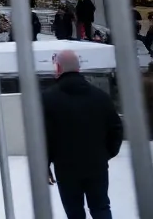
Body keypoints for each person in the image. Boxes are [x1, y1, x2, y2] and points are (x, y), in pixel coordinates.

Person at [42, 50, 123, 219]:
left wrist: (45, 164)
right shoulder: (101, 97)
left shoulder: (48, 99)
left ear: (58, 67)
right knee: (101, 207)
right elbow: (116, 128)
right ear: (79, 68)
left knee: (74, 212)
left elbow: (44, 136)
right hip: (97, 164)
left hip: (66, 167)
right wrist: (106, 154)